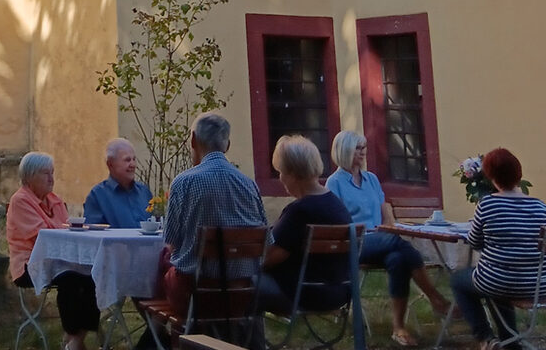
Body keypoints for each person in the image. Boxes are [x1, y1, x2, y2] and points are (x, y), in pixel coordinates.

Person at [326, 130, 450, 346]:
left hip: (381, 239)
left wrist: (391, 227)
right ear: (344, 150)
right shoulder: (334, 183)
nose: (363, 152)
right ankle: (434, 297)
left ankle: (398, 328)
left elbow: (385, 209)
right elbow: (335, 224)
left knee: (398, 259)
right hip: (354, 242)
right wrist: (382, 232)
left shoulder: (371, 179)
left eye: (364, 147)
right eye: (358, 148)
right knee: (395, 242)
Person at [162, 112, 268, 315]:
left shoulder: (184, 182)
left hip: (196, 295)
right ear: (227, 145)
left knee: (161, 267)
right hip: (241, 294)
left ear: (193, 140)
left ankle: (167, 340)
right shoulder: (249, 184)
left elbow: (171, 241)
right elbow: (265, 241)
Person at [451, 148, 546, 350]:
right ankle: (510, 342)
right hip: (538, 286)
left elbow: (474, 242)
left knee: (460, 280)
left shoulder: (488, 205)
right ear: (518, 175)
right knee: (498, 279)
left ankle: (486, 338)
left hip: (498, 281)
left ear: (491, 177)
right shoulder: (540, 207)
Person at [7, 151, 100, 350]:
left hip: (60, 260)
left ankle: (75, 340)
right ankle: (74, 341)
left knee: (94, 275)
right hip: (30, 264)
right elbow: (41, 238)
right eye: (45, 173)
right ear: (29, 177)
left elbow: (66, 233)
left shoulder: (55, 200)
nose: (51, 178)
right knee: (72, 280)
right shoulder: (20, 201)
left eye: (52, 172)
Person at [258, 135, 352, 315]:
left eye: (281, 172)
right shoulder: (337, 205)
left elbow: (267, 258)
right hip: (339, 293)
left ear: (293, 174)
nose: (281, 178)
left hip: (303, 295)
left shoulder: (299, 211)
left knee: (236, 282)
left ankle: (244, 341)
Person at [84, 138, 154, 228]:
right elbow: (93, 236)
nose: (133, 165)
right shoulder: (97, 196)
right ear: (110, 164)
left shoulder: (144, 192)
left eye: (134, 159)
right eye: (127, 160)